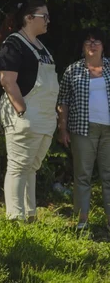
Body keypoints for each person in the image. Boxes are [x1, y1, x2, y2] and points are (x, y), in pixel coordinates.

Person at [0, 0, 58, 221]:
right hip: (25, 115)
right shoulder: (14, 44)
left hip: (44, 117)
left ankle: (29, 214)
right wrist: (22, 110)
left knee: (32, 166)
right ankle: (14, 217)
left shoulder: (42, 47)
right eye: (45, 16)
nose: (49, 20)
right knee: (18, 165)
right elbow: (7, 80)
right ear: (29, 18)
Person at [57, 27, 110, 232]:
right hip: (81, 129)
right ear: (82, 46)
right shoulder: (73, 70)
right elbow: (63, 101)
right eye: (88, 41)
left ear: (103, 46)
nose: (93, 45)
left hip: (108, 131)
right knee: (82, 176)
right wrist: (63, 128)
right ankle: (82, 222)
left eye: (97, 41)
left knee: (108, 175)